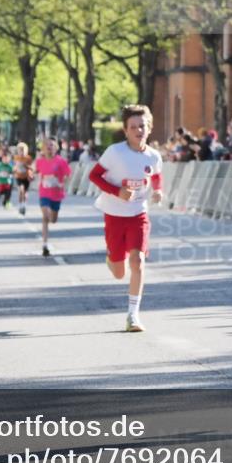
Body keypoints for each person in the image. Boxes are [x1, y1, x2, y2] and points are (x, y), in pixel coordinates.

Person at [88, 104, 163, 333]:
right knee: (119, 272)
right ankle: (112, 257)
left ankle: (133, 315)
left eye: (142, 126)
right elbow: (94, 176)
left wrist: (158, 191)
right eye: (133, 127)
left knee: (137, 261)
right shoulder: (115, 152)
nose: (138, 131)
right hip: (114, 214)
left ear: (149, 128)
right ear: (125, 129)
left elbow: (156, 176)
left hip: (138, 213)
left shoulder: (154, 155)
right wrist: (116, 191)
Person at [33, 138, 71, 257]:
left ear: (56, 148)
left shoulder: (61, 161)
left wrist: (61, 182)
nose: (49, 147)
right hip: (44, 193)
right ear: (43, 148)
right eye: (47, 145)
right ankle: (45, 244)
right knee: (45, 216)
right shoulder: (40, 161)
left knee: (53, 220)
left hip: (56, 194)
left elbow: (68, 175)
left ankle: (51, 218)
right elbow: (35, 172)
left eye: (52, 145)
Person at [13, 142, 34, 215]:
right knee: (20, 190)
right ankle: (20, 205)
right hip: (18, 176)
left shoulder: (28, 158)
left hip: (26, 177)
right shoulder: (16, 157)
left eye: (23, 150)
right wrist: (14, 169)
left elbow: (32, 168)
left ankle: (24, 205)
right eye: (20, 150)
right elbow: (14, 166)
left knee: (25, 193)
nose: (21, 152)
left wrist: (26, 166)